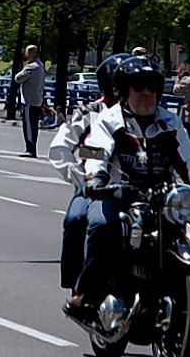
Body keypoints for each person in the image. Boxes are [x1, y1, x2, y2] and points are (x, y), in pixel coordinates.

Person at [67, 56, 190, 322]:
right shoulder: (108, 120)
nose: (146, 93)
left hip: (162, 197)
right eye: (139, 86)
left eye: (153, 86)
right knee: (102, 226)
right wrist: (95, 176)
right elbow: (95, 150)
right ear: (125, 89)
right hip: (116, 193)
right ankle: (87, 294)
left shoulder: (170, 122)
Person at [48, 52, 127, 304]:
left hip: (141, 187)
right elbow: (61, 145)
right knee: (76, 220)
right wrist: (80, 178)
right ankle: (78, 286)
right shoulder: (90, 111)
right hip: (98, 186)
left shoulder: (149, 113)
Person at [14, 44, 46, 158]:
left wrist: (23, 68)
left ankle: (30, 149)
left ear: (32, 53)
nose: (25, 53)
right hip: (37, 99)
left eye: (27, 51)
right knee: (33, 126)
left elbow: (18, 78)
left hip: (29, 100)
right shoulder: (41, 65)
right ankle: (32, 149)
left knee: (28, 126)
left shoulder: (31, 67)